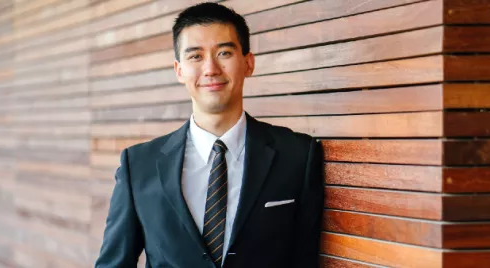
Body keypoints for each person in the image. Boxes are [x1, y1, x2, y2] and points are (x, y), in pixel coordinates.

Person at [94, 2, 324, 268]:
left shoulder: (298, 156)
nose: (211, 69)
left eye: (224, 52)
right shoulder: (139, 165)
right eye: (195, 56)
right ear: (179, 70)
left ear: (248, 63)